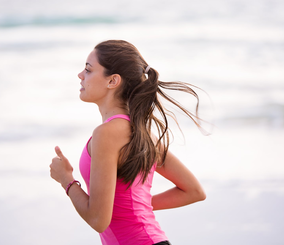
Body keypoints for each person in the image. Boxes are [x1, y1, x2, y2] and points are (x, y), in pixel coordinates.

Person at [49, 40, 206, 245]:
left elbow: (98, 220)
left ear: (112, 81)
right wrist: (134, 208)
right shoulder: (141, 132)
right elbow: (193, 191)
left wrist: (66, 180)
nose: (80, 75)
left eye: (88, 70)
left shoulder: (106, 134)